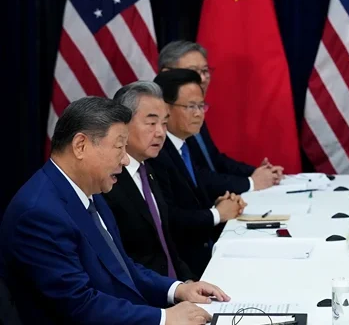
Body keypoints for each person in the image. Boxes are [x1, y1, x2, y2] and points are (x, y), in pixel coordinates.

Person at [0, 97, 230, 325]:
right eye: (120, 147)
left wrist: (177, 289)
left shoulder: (92, 193)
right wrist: (164, 318)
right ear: (80, 146)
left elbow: (121, 267)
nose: (125, 160)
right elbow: (79, 305)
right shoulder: (39, 214)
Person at [152, 69, 246, 277]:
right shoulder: (156, 153)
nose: (198, 113)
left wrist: (219, 204)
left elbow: (192, 197)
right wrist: (217, 214)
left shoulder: (185, 143)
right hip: (183, 269)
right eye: (190, 106)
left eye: (201, 106)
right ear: (166, 109)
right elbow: (167, 217)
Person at [104, 81, 196, 281]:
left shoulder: (149, 170)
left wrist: (188, 281)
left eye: (164, 123)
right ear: (122, 125)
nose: (161, 133)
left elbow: (166, 245)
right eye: (152, 123)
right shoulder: (107, 182)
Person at [159, 40, 282, 189]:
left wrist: (257, 172)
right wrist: (251, 183)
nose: (202, 79)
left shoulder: (196, 108)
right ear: (167, 74)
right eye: (193, 72)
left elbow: (214, 160)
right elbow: (193, 175)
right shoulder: (161, 120)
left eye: (205, 71)